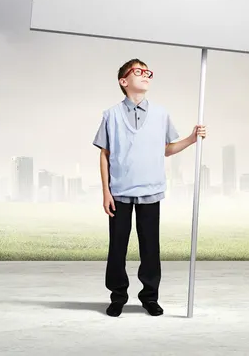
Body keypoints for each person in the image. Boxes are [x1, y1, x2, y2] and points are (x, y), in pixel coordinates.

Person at [92, 58, 206, 317]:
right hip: (119, 193)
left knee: (150, 248)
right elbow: (105, 154)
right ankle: (118, 296)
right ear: (124, 81)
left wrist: (191, 139)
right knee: (117, 247)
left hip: (150, 191)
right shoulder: (110, 115)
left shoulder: (161, 114)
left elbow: (166, 149)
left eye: (148, 72)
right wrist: (105, 191)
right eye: (139, 72)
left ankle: (150, 296)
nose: (146, 75)